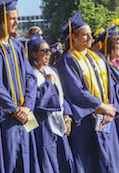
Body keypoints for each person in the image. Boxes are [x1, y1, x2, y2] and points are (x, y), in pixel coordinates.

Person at [0, 0, 40, 173]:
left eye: (16, 18)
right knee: (7, 164)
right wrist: (14, 109)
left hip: (24, 116)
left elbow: (30, 78)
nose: (16, 22)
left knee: (28, 163)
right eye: (12, 18)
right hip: (4, 118)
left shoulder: (18, 47)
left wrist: (27, 107)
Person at [56, 11, 119, 173]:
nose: (90, 38)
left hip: (105, 119)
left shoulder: (98, 58)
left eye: (90, 34)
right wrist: (101, 106)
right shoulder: (67, 61)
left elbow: (111, 87)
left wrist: (110, 109)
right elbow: (76, 91)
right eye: (84, 35)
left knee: (110, 161)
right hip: (85, 122)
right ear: (73, 38)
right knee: (88, 163)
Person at [27, 33, 75, 173]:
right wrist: (48, 83)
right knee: (47, 164)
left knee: (64, 161)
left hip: (58, 124)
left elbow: (61, 97)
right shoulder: (29, 75)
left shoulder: (52, 71)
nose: (49, 54)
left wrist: (67, 116)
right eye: (45, 51)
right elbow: (37, 102)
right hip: (43, 127)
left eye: (49, 51)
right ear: (34, 54)